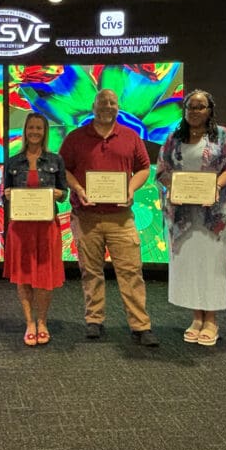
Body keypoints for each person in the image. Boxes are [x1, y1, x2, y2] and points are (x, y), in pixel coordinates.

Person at [59, 89, 159, 346]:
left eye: (112, 102)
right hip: (86, 217)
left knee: (131, 272)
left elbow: (144, 168)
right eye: (102, 102)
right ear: (94, 106)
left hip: (121, 218)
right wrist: (78, 189)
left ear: (118, 107)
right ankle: (94, 320)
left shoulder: (130, 137)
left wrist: (130, 189)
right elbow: (64, 170)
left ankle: (140, 326)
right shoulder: (75, 138)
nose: (107, 106)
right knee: (90, 272)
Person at [156, 90, 226, 347]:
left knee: (212, 266)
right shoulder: (174, 136)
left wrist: (215, 187)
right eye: (190, 107)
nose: (195, 111)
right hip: (182, 216)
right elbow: (162, 169)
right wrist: (174, 188)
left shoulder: (221, 135)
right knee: (190, 265)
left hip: (213, 215)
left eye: (200, 107)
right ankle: (196, 317)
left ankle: (212, 320)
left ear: (210, 110)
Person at [3, 112, 68, 346]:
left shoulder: (55, 160)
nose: (34, 132)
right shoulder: (12, 161)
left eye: (39, 128)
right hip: (21, 229)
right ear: (25, 130)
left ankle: (43, 321)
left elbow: (64, 194)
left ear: (44, 132)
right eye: (31, 127)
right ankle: (29, 322)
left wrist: (60, 194)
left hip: (46, 227)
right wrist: (7, 195)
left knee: (44, 276)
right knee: (24, 277)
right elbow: (5, 194)